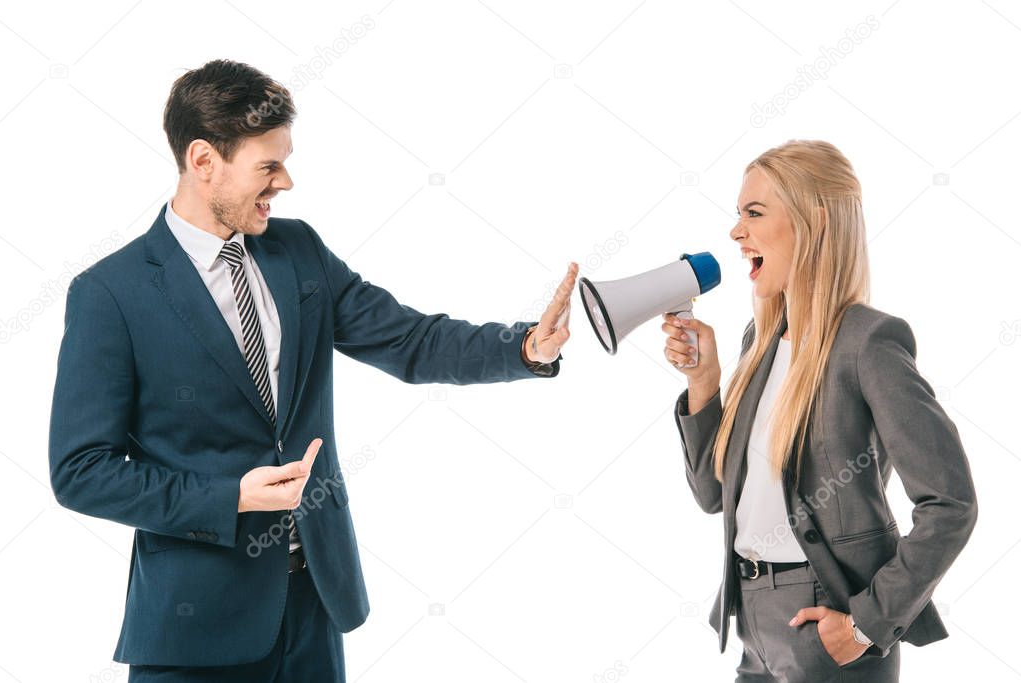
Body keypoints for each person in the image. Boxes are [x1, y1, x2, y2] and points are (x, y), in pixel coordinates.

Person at [48, 58, 577, 682]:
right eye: (268, 166)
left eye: (286, 159)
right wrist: (229, 498)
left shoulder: (298, 252)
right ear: (202, 161)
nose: (287, 181)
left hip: (314, 608)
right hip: (194, 630)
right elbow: (81, 472)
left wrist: (525, 349)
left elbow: (410, 339)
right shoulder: (111, 293)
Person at [663, 139, 977, 682]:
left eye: (754, 213)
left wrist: (865, 624)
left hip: (825, 621)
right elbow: (713, 495)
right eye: (738, 215)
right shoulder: (760, 342)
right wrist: (704, 382)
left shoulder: (869, 342)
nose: (737, 232)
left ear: (816, 220)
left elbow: (950, 503)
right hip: (750, 621)